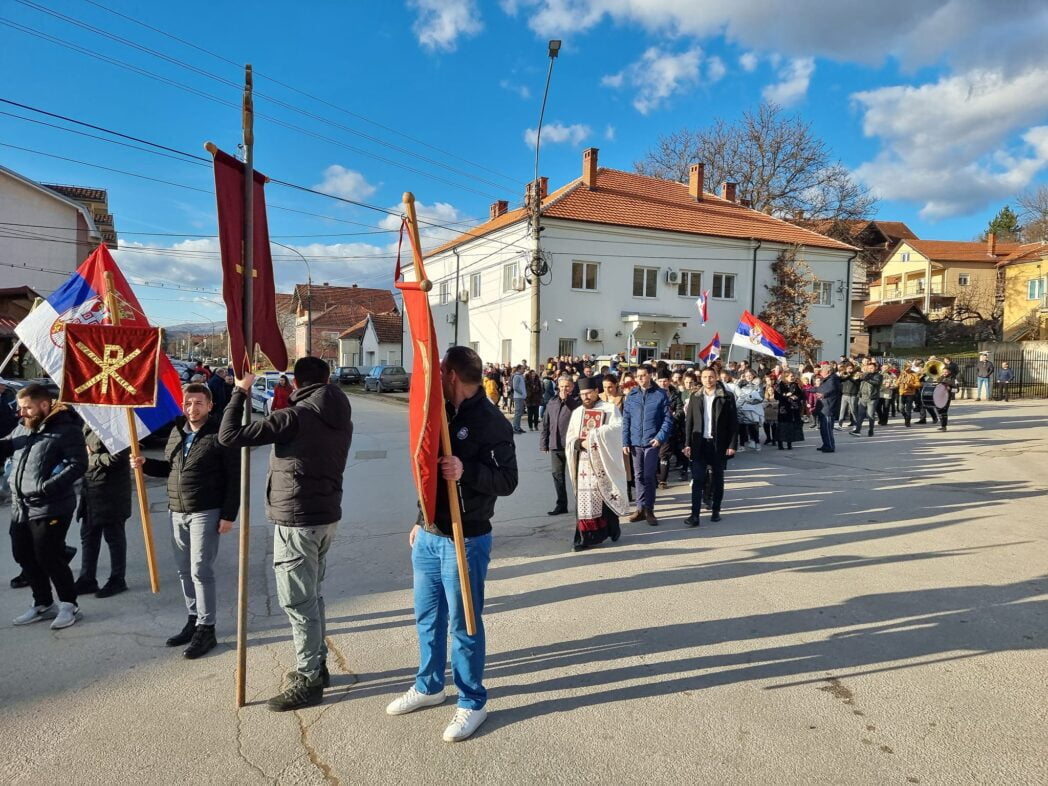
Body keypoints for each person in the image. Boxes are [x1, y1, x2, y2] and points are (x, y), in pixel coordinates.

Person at [386, 346, 518, 743]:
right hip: (429, 534)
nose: (435, 378)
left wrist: (466, 471)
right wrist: (418, 517)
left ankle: (472, 700)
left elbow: (507, 481)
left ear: (452, 375)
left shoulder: (492, 421)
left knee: (465, 624)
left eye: (440, 372)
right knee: (428, 618)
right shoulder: (440, 412)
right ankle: (429, 685)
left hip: (468, 537)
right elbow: (427, 469)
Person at [219, 357, 353, 712]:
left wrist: (239, 392)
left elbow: (229, 436)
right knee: (312, 596)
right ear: (326, 380)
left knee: (298, 602)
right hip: (324, 517)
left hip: (296, 520)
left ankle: (309, 678)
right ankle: (318, 665)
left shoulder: (295, 417)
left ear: (296, 383)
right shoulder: (339, 412)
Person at [133, 383, 239, 658]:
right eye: (188, 403)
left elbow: (234, 477)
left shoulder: (219, 434)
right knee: (183, 569)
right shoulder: (177, 431)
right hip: (177, 510)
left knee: (200, 569)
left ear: (210, 406)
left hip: (207, 509)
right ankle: (193, 619)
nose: (193, 408)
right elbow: (170, 468)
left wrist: (229, 515)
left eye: (199, 403)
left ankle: (207, 627)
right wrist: (145, 463)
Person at [2, 384, 87, 629]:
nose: (22, 413)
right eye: (20, 408)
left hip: (51, 506)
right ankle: (43, 603)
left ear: (43, 405)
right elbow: (7, 445)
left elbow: (78, 464)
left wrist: (45, 487)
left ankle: (69, 605)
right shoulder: (23, 427)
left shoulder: (66, 430)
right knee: (23, 555)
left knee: (49, 556)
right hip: (21, 506)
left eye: (27, 407)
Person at [565, 377, 629, 551]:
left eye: (588, 393)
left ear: (596, 391)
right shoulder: (578, 412)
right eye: (582, 394)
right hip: (583, 464)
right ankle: (584, 538)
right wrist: (579, 443)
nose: (585, 397)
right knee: (585, 501)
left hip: (603, 461)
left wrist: (595, 435)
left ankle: (612, 528)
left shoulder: (610, 409)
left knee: (605, 496)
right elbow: (570, 437)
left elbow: (617, 430)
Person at [75, 425, 131, 598]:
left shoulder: (114, 424)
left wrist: (91, 457)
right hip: (91, 489)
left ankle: (117, 579)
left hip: (111, 490)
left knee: (113, 537)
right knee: (88, 535)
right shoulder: (85, 422)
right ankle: (87, 578)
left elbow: (119, 458)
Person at [682, 367, 737, 526]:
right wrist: (687, 444)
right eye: (705, 377)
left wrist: (732, 444)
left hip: (718, 444)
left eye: (711, 377)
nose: (708, 380)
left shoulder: (726, 397)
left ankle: (716, 510)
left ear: (716, 377)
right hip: (700, 444)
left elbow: (734, 423)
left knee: (717, 479)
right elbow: (689, 423)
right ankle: (694, 515)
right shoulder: (695, 396)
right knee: (697, 479)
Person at [621, 365, 672, 527]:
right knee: (638, 476)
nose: (641, 378)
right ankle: (640, 508)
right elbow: (626, 420)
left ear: (651, 375)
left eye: (644, 375)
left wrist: (660, 437)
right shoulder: (632, 396)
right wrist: (625, 441)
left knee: (649, 476)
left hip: (651, 442)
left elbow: (667, 419)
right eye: (638, 376)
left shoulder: (660, 394)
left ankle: (649, 509)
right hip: (636, 442)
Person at [539, 376, 579, 516]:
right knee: (557, 475)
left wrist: (566, 399)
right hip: (555, 445)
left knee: (576, 476)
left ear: (572, 387)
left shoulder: (576, 402)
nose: (564, 389)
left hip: (572, 445)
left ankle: (581, 504)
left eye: (567, 386)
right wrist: (544, 442)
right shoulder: (552, 401)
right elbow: (546, 423)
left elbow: (576, 410)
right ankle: (561, 504)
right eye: (561, 386)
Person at [655, 368, 686, 487]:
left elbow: (680, 410)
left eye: (665, 381)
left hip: (670, 428)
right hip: (655, 428)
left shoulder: (675, 394)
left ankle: (663, 480)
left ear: (669, 381)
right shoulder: (653, 394)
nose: (663, 383)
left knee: (664, 454)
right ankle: (656, 476)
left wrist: (672, 417)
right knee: (656, 454)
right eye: (660, 381)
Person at [850, 360, 882, 437]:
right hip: (862, 397)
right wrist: (856, 378)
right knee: (860, 415)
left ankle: (871, 429)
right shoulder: (865, 374)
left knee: (870, 415)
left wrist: (866, 378)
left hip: (872, 398)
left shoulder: (878, 375)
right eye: (869, 368)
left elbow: (877, 383)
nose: (870, 369)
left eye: (871, 368)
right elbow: (857, 382)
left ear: (875, 368)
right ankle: (858, 430)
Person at [813, 364, 841, 453]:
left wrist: (824, 394)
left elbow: (832, 389)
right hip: (824, 407)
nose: (820, 372)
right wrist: (808, 389)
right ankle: (825, 444)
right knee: (823, 428)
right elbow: (820, 388)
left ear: (828, 372)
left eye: (822, 371)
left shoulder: (833, 379)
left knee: (827, 428)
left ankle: (830, 446)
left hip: (829, 407)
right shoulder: (827, 379)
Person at [775, 371, 806, 450]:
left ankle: (789, 443)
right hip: (784, 409)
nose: (793, 377)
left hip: (793, 408)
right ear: (785, 377)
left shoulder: (795, 384)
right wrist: (786, 395)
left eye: (793, 376)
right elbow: (777, 396)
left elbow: (802, 395)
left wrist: (796, 397)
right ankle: (780, 444)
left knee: (790, 426)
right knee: (782, 426)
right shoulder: (780, 385)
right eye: (791, 376)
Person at [897, 362, 924, 427]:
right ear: (905, 367)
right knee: (901, 408)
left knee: (908, 408)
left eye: (910, 367)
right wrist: (898, 382)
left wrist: (910, 385)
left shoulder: (914, 374)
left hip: (910, 393)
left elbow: (918, 384)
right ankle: (906, 417)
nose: (908, 368)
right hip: (902, 392)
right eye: (907, 367)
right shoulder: (902, 373)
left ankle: (908, 421)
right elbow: (897, 382)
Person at [510, 365, 526, 434]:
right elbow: (515, 387)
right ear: (519, 369)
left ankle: (518, 427)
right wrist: (522, 393)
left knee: (520, 413)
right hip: (518, 397)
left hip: (521, 397)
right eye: (523, 369)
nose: (524, 370)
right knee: (517, 413)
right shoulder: (517, 376)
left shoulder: (520, 376)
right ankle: (515, 428)